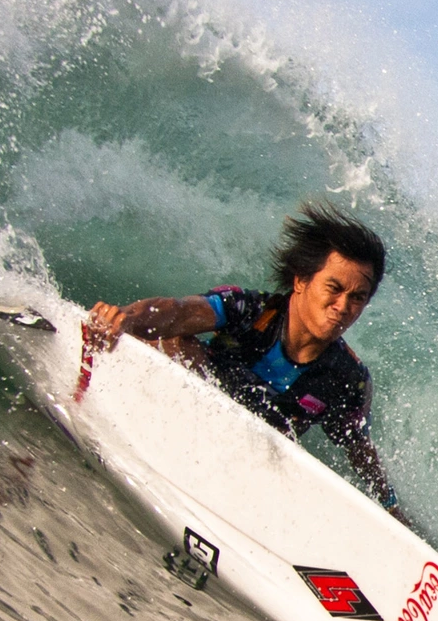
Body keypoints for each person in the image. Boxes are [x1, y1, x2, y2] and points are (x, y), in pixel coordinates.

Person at [84, 202, 407, 523]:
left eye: (357, 298)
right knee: (174, 341)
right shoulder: (249, 310)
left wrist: (390, 508)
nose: (343, 306)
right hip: (183, 423)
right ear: (301, 281)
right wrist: (124, 317)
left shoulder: (348, 378)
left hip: (246, 474)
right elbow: (178, 312)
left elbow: (359, 451)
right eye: (334, 289)